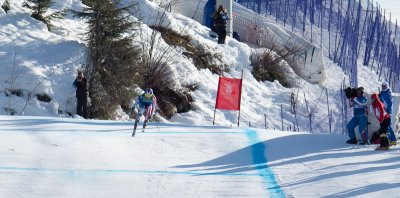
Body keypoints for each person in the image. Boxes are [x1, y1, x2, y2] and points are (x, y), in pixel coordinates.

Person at [379, 81, 397, 146]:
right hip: (383, 112)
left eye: (384, 86)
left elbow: (389, 103)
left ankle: (393, 139)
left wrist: (388, 112)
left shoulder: (388, 93)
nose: (383, 87)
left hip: (387, 112)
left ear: (387, 86)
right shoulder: (382, 92)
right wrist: (379, 97)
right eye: (382, 86)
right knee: (386, 126)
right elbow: (381, 102)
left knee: (388, 126)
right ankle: (390, 138)